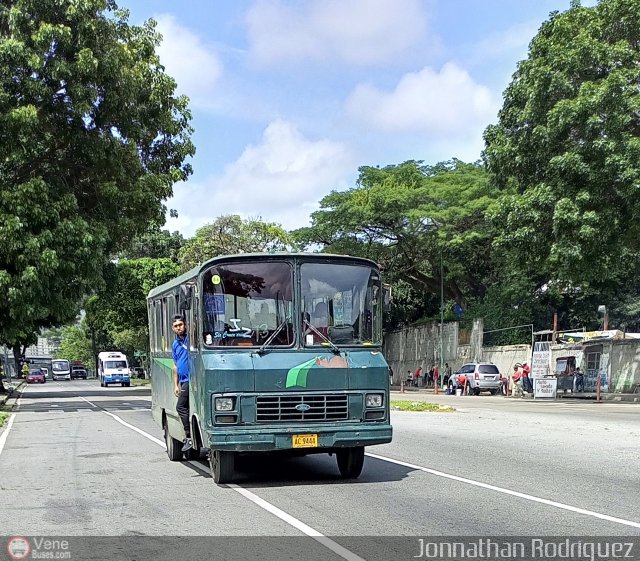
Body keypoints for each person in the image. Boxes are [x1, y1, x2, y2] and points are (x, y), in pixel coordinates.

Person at [172, 314, 192, 452]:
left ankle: (189, 436)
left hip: (192, 380)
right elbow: (175, 366)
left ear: (185, 325)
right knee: (184, 407)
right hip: (183, 381)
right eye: (175, 326)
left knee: (180, 407)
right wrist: (175, 385)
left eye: (180, 325)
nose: (178, 328)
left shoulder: (191, 340)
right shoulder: (175, 344)